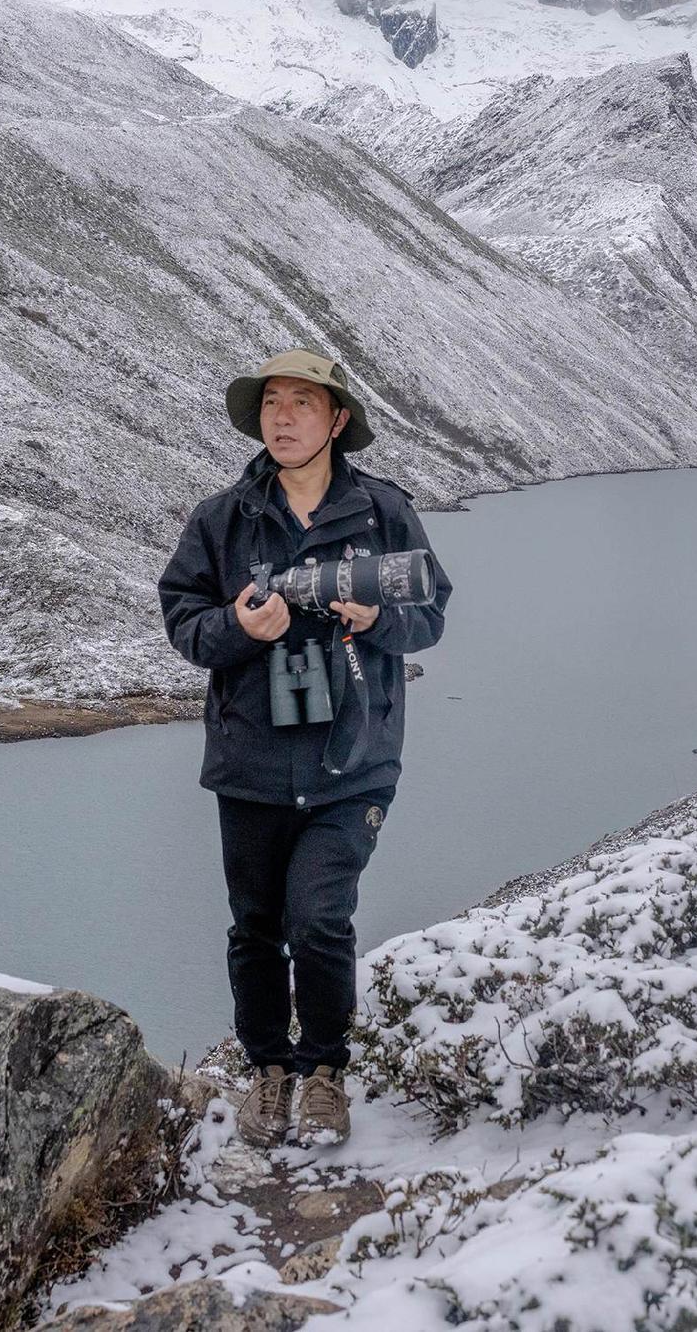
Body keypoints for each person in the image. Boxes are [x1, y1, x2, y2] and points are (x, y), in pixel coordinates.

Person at [158, 348, 452, 1148]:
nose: (282, 418)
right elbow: (182, 617)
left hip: (352, 762)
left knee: (320, 919)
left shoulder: (384, 512)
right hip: (250, 764)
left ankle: (324, 1070)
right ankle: (268, 1072)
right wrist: (237, 629)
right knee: (255, 925)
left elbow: (431, 611)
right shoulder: (222, 519)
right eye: (272, 404)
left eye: (302, 403)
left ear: (337, 421)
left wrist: (375, 619)